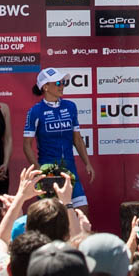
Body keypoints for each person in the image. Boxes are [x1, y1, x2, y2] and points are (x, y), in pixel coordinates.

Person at [22, 67, 95, 208]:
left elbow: (77, 139)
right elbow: (27, 145)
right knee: (50, 214)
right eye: (58, 83)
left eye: (63, 83)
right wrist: (39, 171)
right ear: (45, 87)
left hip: (70, 167)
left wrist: (87, 163)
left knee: (82, 210)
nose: (62, 86)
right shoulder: (35, 111)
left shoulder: (70, 107)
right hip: (48, 167)